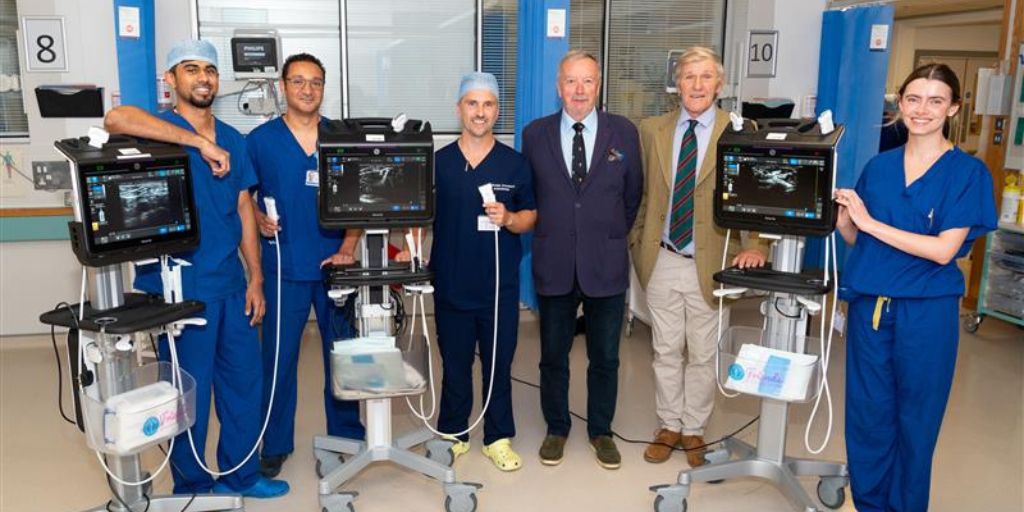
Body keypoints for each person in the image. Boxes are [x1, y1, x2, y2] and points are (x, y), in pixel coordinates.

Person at [103, 39, 288, 498]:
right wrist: (198, 142)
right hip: (179, 289)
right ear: (171, 79)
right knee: (188, 392)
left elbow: (243, 208)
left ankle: (242, 474)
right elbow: (115, 118)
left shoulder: (235, 140)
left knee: (243, 383)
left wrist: (256, 277)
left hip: (229, 283)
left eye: (209, 69)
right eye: (190, 69)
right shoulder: (156, 131)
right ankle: (192, 485)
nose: (203, 77)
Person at [835, 62, 997, 512]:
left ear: (953, 108)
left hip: (926, 313)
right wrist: (847, 223)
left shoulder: (967, 173)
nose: (922, 110)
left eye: (935, 100)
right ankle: (869, 504)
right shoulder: (879, 167)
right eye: (913, 99)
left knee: (915, 421)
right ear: (900, 104)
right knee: (868, 416)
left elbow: (944, 250)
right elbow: (863, 241)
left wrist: (869, 222)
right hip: (871, 308)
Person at [629, 46, 767, 467]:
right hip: (662, 257)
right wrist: (636, 240)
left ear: (719, 85)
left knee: (704, 354)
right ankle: (669, 425)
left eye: (706, 77)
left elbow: (755, 193)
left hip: (712, 260)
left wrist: (756, 244)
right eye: (689, 76)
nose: (697, 85)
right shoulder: (651, 130)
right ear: (677, 84)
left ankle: (694, 430)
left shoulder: (739, 130)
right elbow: (642, 191)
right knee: (666, 351)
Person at [521, 49, 643, 470]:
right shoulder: (534, 134)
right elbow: (529, 195)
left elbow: (633, 196)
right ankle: (557, 428)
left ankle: (601, 431)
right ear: (559, 87)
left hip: (605, 262)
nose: (579, 89)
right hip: (553, 259)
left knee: (605, 357)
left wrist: (606, 233)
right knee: (553, 356)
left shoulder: (623, 132)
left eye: (587, 80)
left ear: (598, 85)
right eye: (571, 81)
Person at [246, 53, 364, 478]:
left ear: (323, 88)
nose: (307, 89)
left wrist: (348, 246)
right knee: (278, 361)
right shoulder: (260, 141)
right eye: (298, 81)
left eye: (315, 82)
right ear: (283, 87)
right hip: (284, 267)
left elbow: (360, 200)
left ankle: (347, 434)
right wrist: (257, 217)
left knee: (343, 355)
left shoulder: (340, 137)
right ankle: (275, 443)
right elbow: (243, 198)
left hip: (335, 266)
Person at [414, 72, 536, 471]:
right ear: (459, 109)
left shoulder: (515, 164)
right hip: (451, 283)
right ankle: (453, 432)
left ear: (497, 112)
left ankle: (497, 437)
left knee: (499, 366)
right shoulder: (439, 163)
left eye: (488, 105)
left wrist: (510, 218)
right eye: (472, 103)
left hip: (498, 287)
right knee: (455, 364)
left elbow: (530, 216)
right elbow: (419, 216)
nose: (480, 112)